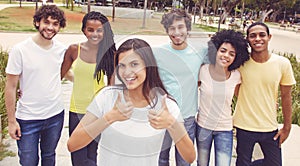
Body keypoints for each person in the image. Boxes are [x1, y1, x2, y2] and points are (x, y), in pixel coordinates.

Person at [67, 38, 196, 166]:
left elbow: (190, 157)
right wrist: (109, 118)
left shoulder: (165, 105)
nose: (127, 72)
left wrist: (172, 124)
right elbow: (73, 144)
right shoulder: (106, 97)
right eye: (122, 65)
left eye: (134, 64)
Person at [4, 5, 66, 165]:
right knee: (28, 161)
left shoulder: (61, 50)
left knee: (49, 157)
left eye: (55, 24)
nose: (50, 27)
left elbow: (67, 74)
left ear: (60, 26)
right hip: (28, 119)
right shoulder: (20, 50)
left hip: (55, 116)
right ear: (38, 22)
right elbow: (10, 87)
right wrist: (11, 121)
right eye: (47, 22)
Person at [233, 22, 296, 166]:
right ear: (248, 39)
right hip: (244, 127)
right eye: (252, 36)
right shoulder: (241, 63)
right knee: (242, 163)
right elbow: (236, 89)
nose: (257, 39)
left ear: (269, 37)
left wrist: (287, 127)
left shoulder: (282, 63)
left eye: (262, 35)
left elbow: (286, 97)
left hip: (270, 128)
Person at [152, 9, 208, 166]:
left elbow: (225, 59)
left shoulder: (200, 52)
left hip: (187, 118)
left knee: (184, 161)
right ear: (167, 31)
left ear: (187, 28)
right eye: (172, 28)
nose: (176, 32)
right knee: (160, 160)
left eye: (180, 27)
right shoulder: (158, 52)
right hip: (162, 115)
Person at [60, 11, 116, 166]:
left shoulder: (109, 53)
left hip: (98, 112)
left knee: (92, 155)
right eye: (90, 29)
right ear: (83, 29)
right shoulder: (73, 50)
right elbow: (59, 76)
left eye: (99, 30)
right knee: (78, 156)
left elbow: (112, 86)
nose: (95, 34)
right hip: (77, 111)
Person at [196, 30, 249, 166]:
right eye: (223, 51)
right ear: (216, 50)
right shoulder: (203, 71)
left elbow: (242, 99)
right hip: (203, 127)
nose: (226, 56)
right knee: (202, 163)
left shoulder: (236, 76)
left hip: (225, 129)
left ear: (236, 58)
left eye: (231, 54)